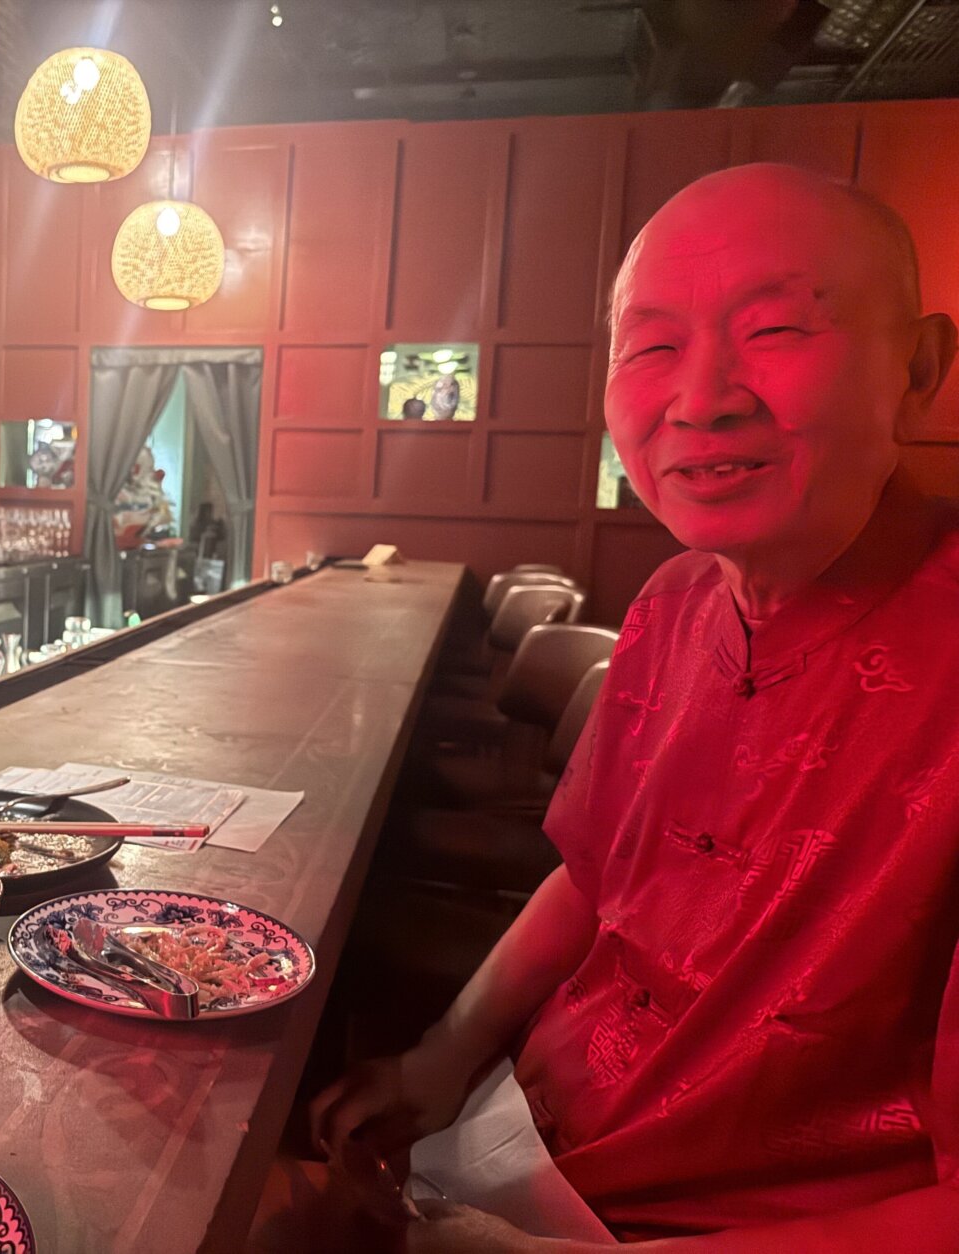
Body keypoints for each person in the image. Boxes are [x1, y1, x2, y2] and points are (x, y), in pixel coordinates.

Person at [311, 162, 959, 1250]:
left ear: (921, 367)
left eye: (776, 331)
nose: (700, 398)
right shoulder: (672, 601)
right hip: (523, 1132)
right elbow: (597, 874)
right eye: (651, 347)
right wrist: (444, 1053)